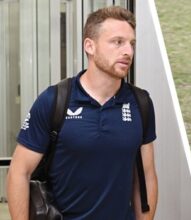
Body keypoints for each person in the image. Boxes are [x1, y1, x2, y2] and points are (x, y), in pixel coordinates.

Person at [7, 6, 158, 220]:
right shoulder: (54, 100)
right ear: (90, 46)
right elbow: (19, 172)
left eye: (131, 43)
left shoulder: (141, 103)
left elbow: (146, 176)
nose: (128, 52)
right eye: (117, 42)